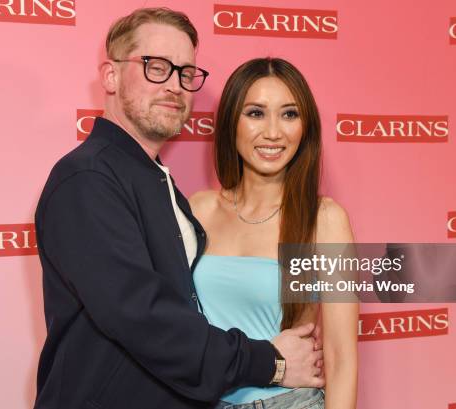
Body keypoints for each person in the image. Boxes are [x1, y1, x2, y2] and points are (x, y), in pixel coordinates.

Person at [33, 9, 324, 409]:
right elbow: (145, 317)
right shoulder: (88, 178)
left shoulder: (159, 183)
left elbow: (327, 352)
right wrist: (268, 361)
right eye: (156, 67)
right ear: (111, 76)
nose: (174, 85)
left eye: (186, 73)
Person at [190, 57, 358, 409]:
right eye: (255, 113)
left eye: (289, 114)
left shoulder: (322, 220)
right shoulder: (199, 210)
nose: (273, 132)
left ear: (305, 127)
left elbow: (342, 358)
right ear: (230, 123)